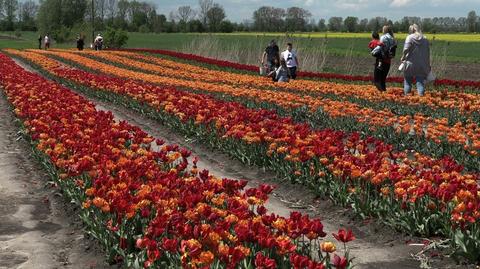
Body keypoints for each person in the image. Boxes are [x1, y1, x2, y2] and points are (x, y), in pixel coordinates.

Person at [400, 24, 431, 97]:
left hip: (410, 64)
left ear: (411, 30)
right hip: (422, 64)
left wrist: (403, 57)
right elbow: (428, 52)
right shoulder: (425, 38)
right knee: (420, 82)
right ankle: (421, 99)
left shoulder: (409, 37)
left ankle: (407, 98)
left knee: (407, 82)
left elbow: (406, 49)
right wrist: (428, 64)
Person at [372, 25, 396, 92]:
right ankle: (384, 94)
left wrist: (373, 52)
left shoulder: (383, 37)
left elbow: (380, 46)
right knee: (383, 80)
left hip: (381, 60)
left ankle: (381, 94)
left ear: (384, 30)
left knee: (377, 80)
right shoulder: (392, 38)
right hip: (388, 61)